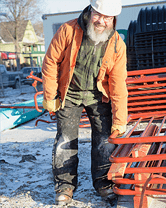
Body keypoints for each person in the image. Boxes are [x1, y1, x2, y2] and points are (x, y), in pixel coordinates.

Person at [42, 0, 128, 205]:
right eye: (98, 14)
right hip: (69, 92)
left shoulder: (117, 43)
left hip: (98, 94)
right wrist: (50, 95)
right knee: (66, 139)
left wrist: (120, 118)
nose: (101, 21)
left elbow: (118, 83)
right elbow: (51, 61)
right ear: (90, 11)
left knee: (104, 141)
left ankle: (103, 184)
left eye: (107, 17)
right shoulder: (68, 30)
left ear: (113, 19)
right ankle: (64, 187)